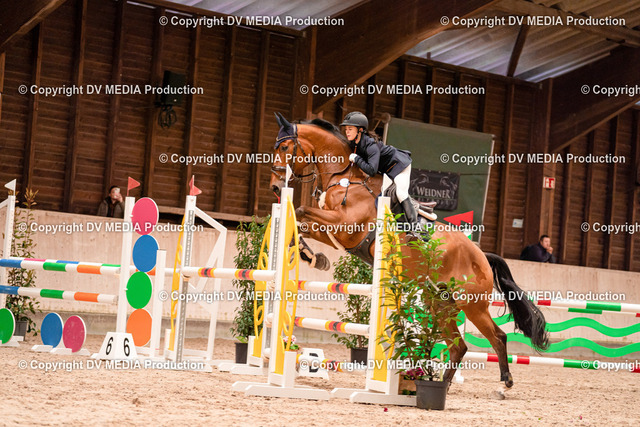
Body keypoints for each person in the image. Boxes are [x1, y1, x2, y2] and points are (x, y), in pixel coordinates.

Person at [340, 111, 418, 230]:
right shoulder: (355, 144)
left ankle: (415, 228)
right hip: (386, 172)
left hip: (399, 165)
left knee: (401, 193)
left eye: (350, 129)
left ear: (360, 130)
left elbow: (371, 170)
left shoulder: (371, 145)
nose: (347, 132)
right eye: (346, 129)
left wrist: (357, 159)